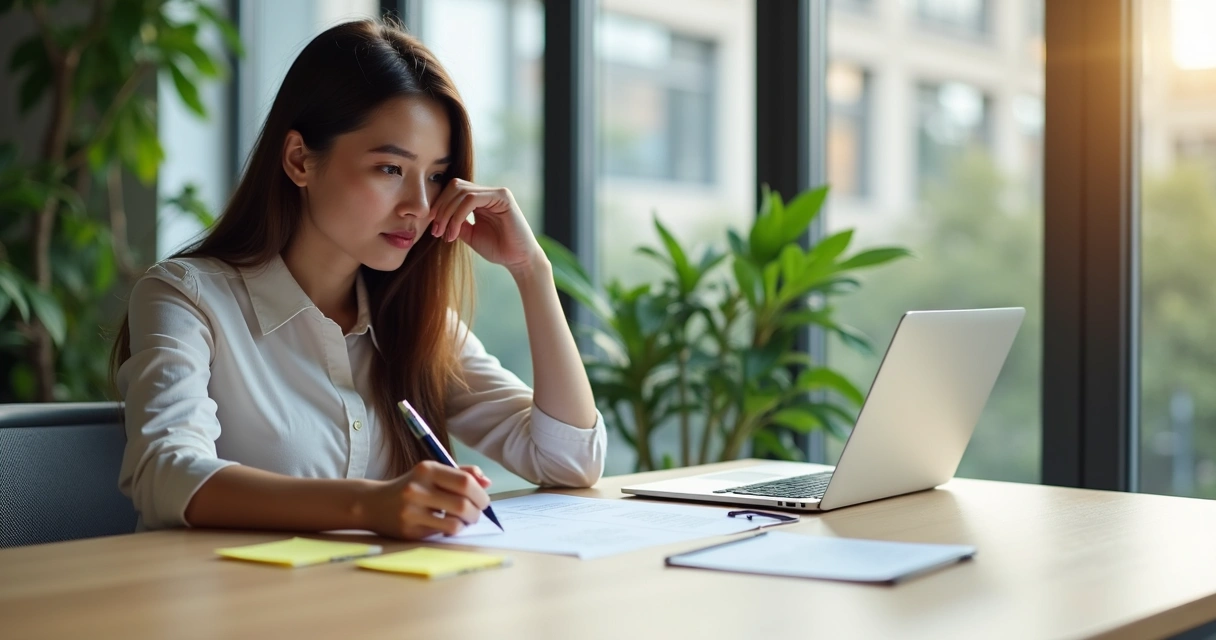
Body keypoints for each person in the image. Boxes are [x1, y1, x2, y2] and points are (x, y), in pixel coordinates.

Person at [110, 19, 606, 540]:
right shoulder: (187, 298)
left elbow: (570, 462)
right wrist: (370, 505)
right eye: (390, 169)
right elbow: (163, 475)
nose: (419, 205)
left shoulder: (415, 320)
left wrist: (532, 270)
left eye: (436, 176)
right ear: (300, 160)